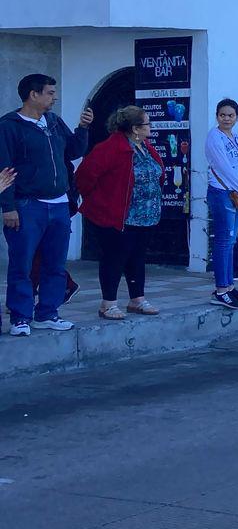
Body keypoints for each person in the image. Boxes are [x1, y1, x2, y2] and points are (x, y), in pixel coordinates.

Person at [0, 74, 92, 335]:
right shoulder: (9, 126)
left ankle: (48, 313)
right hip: (28, 205)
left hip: (59, 204)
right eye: (50, 93)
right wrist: (8, 207)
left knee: (55, 263)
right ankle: (20, 317)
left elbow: (72, 151)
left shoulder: (52, 122)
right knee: (23, 263)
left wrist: (83, 129)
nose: (55, 97)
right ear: (33, 94)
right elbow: (3, 169)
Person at [74, 105, 164, 321]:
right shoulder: (110, 148)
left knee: (137, 257)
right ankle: (108, 304)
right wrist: (101, 201)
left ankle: (137, 299)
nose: (150, 126)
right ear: (135, 128)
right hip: (117, 215)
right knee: (114, 258)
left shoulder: (145, 146)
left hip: (145, 216)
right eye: (147, 123)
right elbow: (84, 177)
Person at [205, 98, 238, 309]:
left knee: (232, 240)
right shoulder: (214, 138)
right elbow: (224, 168)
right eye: (222, 115)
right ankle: (220, 290)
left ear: (237, 117)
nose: (226, 118)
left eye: (231, 115)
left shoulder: (234, 136)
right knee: (223, 241)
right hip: (222, 192)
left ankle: (229, 286)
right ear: (217, 116)